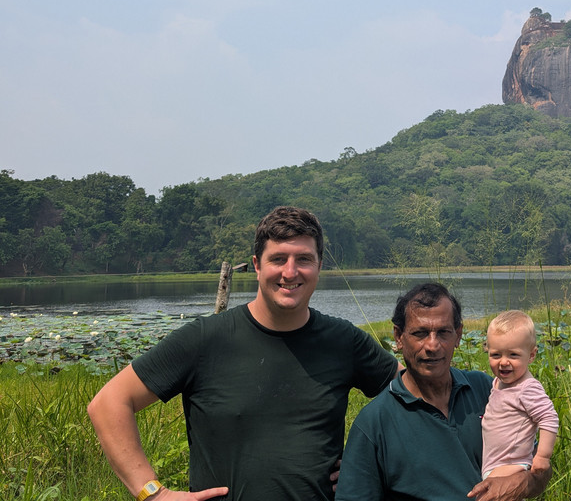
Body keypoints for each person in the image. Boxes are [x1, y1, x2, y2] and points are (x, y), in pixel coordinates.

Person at [87, 206, 399, 501]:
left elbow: (417, 391)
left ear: (319, 266)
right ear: (257, 265)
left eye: (303, 258)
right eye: (278, 259)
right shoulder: (206, 338)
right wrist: (153, 493)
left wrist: (372, 464)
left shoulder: (343, 340)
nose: (290, 272)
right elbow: (109, 403)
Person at [336, 282, 551, 501]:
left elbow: (540, 470)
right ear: (399, 337)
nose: (432, 345)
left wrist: (521, 483)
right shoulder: (375, 423)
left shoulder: (489, 390)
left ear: (458, 335)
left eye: (443, 332)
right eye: (420, 333)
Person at [481, 310, 559, 478]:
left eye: (513, 355)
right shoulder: (497, 382)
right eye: (496, 354)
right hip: (495, 463)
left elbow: (549, 418)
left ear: (531, 355)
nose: (503, 362)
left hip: (512, 464)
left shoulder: (527, 388)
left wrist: (543, 456)